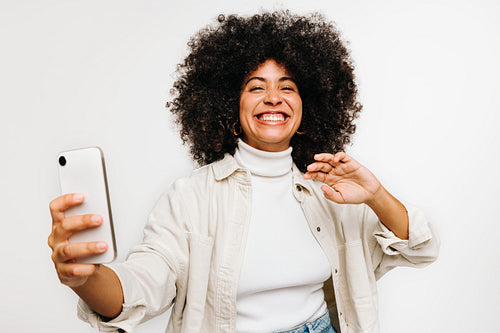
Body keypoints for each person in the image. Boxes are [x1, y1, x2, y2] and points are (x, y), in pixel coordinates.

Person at [48, 11, 439, 333]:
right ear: (228, 111)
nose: (273, 97)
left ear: (306, 108)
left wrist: (376, 195)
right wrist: (86, 279)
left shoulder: (331, 190)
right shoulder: (191, 197)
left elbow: (421, 249)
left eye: (288, 87)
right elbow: (145, 285)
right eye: (255, 87)